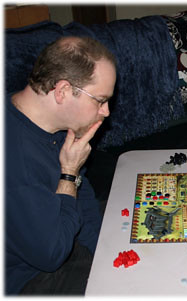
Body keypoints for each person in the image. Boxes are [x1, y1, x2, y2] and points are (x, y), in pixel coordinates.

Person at [6, 36, 117, 295]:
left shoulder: (53, 125)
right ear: (63, 91)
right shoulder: (15, 162)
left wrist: (103, 246)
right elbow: (52, 255)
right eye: (100, 100)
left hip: (61, 233)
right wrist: (69, 173)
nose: (106, 111)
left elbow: (81, 189)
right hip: (27, 278)